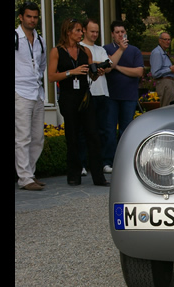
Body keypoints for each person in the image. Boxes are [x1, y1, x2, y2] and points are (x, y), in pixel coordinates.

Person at [48, 18, 109, 187]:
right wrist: (71, 72)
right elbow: (52, 76)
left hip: (84, 95)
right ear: (68, 32)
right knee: (72, 136)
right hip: (68, 96)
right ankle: (74, 174)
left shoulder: (85, 51)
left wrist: (96, 72)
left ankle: (98, 176)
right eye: (78, 30)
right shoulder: (57, 51)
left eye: (82, 30)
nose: (81, 33)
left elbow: (91, 74)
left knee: (93, 135)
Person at [103, 21, 144, 173]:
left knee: (126, 131)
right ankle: (108, 161)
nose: (120, 34)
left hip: (129, 96)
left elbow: (139, 72)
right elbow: (107, 67)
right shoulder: (106, 49)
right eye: (117, 32)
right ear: (112, 34)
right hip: (111, 96)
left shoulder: (134, 51)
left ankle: (125, 161)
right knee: (110, 130)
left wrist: (117, 67)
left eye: (122, 31)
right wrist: (114, 64)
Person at [15, 2, 47, 191]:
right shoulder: (16, 37)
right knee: (23, 137)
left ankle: (30, 173)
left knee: (38, 137)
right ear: (21, 17)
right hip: (20, 91)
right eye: (29, 16)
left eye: (35, 17)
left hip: (37, 92)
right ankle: (24, 178)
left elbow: (41, 65)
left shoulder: (40, 39)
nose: (32, 20)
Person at [80, 18, 113, 175]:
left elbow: (109, 67)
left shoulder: (100, 49)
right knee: (87, 131)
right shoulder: (80, 48)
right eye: (92, 31)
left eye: (97, 32)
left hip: (103, 93)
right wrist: (100, 64)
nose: (95, 34)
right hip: (89, 94)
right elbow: (88, 65)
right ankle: (83, 164)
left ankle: (102, 163)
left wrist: (98, 65)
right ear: (84, 30)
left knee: (103, 131)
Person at [150, 32, 174, 107]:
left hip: (168, 83)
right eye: (165, 39)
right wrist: (170, 69)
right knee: (166, 109)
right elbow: (155, 73)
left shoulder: (163, 52)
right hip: (164, 83)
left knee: (169, 108)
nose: (168, 42)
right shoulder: (157, 53)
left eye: (169, 40)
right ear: (160, 40)